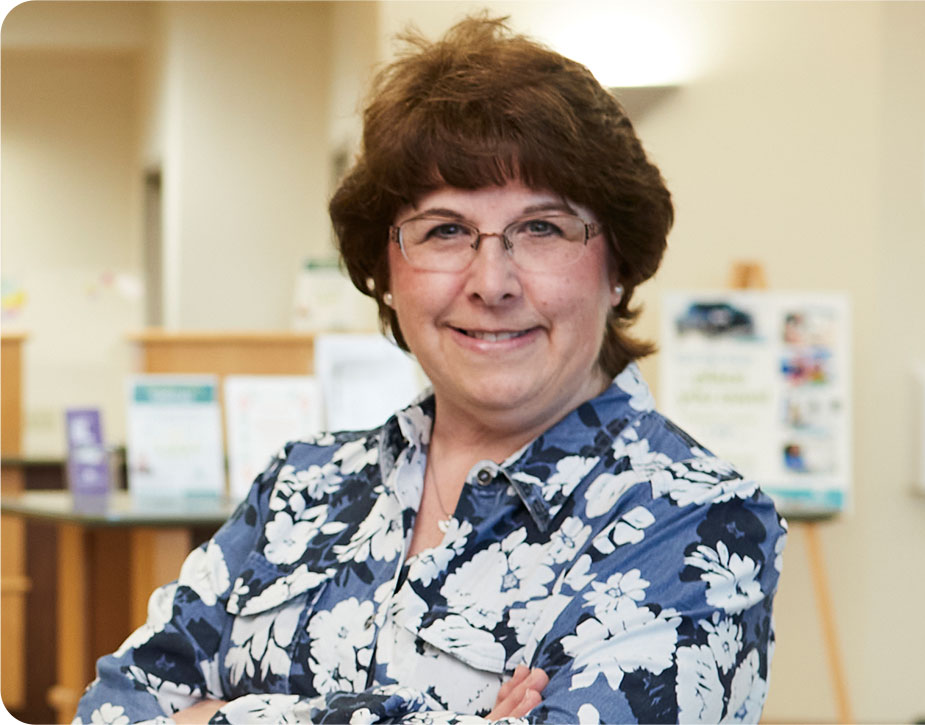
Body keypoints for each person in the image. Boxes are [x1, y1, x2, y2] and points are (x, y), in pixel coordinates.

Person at [75, 15, 785, 725]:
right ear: (386, 271)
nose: (492, 281)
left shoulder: (699, 522)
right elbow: (110, 710)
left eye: (542, 228)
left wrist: (216, 715)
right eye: (445, 230)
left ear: (619, 268)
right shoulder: (301, 488)